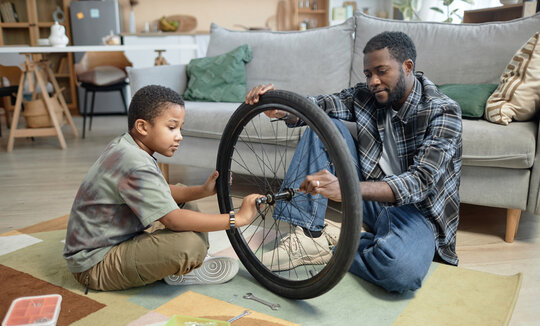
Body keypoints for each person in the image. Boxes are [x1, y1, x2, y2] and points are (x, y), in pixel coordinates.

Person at [245, 31, 462, 293]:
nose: (373, 81)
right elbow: (318, 105)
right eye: (368, 74)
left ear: (407, 67)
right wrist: (282, 107)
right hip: (372, 197)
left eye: (381, 71)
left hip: (417, 213)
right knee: (323, 122)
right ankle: (308, 235)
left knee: (400, 272)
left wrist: (346, 187)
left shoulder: (443, 110)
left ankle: (340, 242)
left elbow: (420, 182)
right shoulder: (367, 95)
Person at [64, 85, 261, 292]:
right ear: (142, 127)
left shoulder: (127, 145)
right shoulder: (135, 162)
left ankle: (176, 264)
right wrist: (237, 219)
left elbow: (160, 190)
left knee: (182, 195)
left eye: (180, 128)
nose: (179, 136)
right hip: (94, 265)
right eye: (171, 127)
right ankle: (182, 267)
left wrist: (202, 191)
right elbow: (173, 220)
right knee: (190, 246)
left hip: (114, 241)